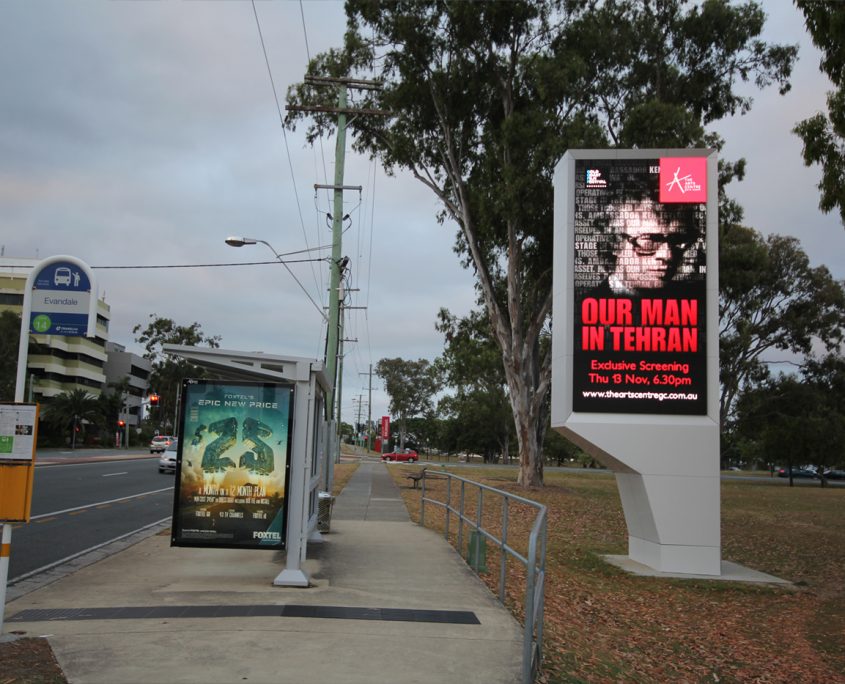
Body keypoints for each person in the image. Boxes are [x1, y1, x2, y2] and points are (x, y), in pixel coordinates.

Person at [583, 195, 703, 296]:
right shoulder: (582, 313)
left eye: (676, 240)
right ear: (615, 243)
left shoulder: (695, 302)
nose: (667, 255)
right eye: (648, 241)